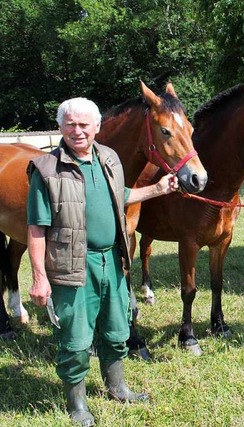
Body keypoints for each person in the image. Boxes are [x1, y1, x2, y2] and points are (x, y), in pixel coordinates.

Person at [26, 97, 180, 426]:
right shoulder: (47, 170)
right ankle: (77, 404)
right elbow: (36, 227)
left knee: (116, 328)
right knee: (77, 338)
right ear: (61, 127)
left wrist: (157, 189)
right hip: (72, 266)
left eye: (85, 124)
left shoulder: (109, 157)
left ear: (97, 126)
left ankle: (117, 387)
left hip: (112, 259)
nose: (78, 130)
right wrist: (39, 277)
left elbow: (120, 195)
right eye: (71, 124)